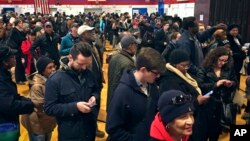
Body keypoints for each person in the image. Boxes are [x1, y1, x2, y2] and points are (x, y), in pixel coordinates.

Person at [106, 47, 166, 141]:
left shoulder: (152, 86)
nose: (158, 76)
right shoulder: (122, 93)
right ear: (143, 70)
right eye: (156, 73)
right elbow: (112, 128)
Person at [44, 43, 99, 141]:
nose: (84, 68)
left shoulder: (89, 74)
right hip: (70, 134)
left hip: (89, 130)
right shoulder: (55, 80)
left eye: (87, 64)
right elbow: (49, 108)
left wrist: (94, 97)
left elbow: (96, 90)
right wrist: (75, 107)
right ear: (70, 58)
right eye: (81, 64)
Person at [158, 49, 209, 141]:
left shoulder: (184, 74)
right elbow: (175, 108)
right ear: (174, 65)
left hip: (195, 119)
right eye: (183, 65)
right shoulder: (168, 81)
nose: (186, 68)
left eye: (188, 65)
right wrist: (197, 101)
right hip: (183, 127)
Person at [196, 47, 237, 141]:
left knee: (215, 134)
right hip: (207, 106)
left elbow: (235, 82)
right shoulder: (205, 68)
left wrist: (230, 84)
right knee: (203, 134)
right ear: (214, 58)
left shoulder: (228, 68)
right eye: (221, 60)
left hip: (222, 105)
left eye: (225, 61)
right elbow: (199, 84)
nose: (223, 63)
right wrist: (215, 85)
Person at [0, 46, 34, 141]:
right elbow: (9, 105)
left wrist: (26, 100)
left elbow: (11, 96)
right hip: (4, 127)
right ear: (5, 62)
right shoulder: (1, 80)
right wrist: (31, 104)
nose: (15, 57)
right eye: (12, 56)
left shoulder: (4, 75)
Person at [77, 24, 105, 137]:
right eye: (90, 32)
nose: (93, 33)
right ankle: (89, 130)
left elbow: (98, 63)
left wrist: (101, 77)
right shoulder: (79, 49)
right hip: (87, 85)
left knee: (96, 106)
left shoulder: (92, 46)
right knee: (89, 108)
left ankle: (93, 127)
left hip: (96, 83)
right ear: (83, 35)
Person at [21, 56, 57, 141]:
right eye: (50, 67)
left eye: (54, 66)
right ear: (42, 71)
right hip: (36, 123)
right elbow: (40, 104)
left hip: (46, 121)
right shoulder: (37, 86)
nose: (53, 69)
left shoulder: (50, 80)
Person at [107, 35, 140, 110]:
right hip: (120, 102)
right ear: (130, 46)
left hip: (111, 97)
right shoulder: (129, 63)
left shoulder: (114, 57)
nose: (136, 47)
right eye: (135, 45)